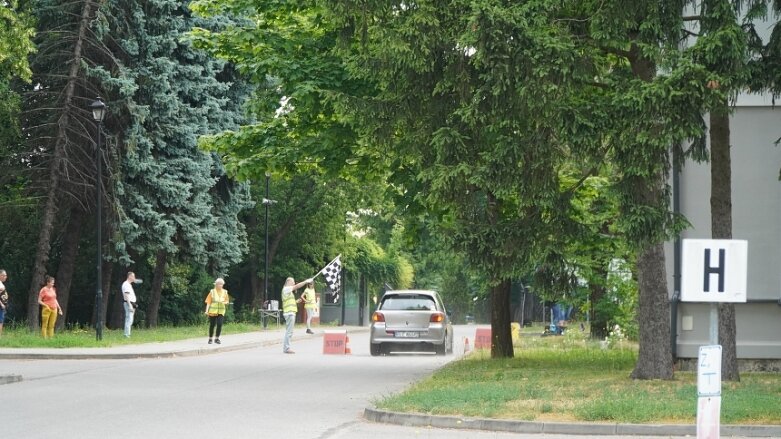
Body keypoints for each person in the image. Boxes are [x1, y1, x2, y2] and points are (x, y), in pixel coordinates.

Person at [281, 277, 312, 354]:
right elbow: (297, 286)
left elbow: (288, 302)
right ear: (288, 282)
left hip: (290, 313)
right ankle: (286, 348)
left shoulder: (287, 291)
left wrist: (296, 301)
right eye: (293, 282)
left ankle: (286, 347)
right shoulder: (286, 289)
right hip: (289, 313)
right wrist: (305, 282)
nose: (294, 283)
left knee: (289, 331)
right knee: (289, 332)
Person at [204, 278, 229, 344]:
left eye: (221, 284)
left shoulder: (225, 292)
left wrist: (225, 302)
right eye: (219, 284)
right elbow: (208, 302)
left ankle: (217, 338)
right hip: (213, 311)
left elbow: (227, 301)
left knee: (219, 324)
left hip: (221, 311)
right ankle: (210, 338)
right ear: (216, 284)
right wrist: (206, 311)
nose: (220, 285)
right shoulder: (212, 292)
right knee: (212, 325)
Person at [121, 271, 137, 338]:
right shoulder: (126, 284)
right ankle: (126, 335)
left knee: (130, 319)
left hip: (132, 303)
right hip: (129, 303)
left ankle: (127, 334)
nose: (134, 278)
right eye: (133, 276)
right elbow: (126, 295)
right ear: (129, 276)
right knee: (129, 319)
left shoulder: (129, 284)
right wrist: (130, 305)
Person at [0, 269, 8, 336]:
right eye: (4, 275)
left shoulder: (1, 284)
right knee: (0, 321)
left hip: (2, 306)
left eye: (6, 275)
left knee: (1, 321)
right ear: (0, 275)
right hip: (0, 306)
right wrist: (1, 304)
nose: (6, 277)